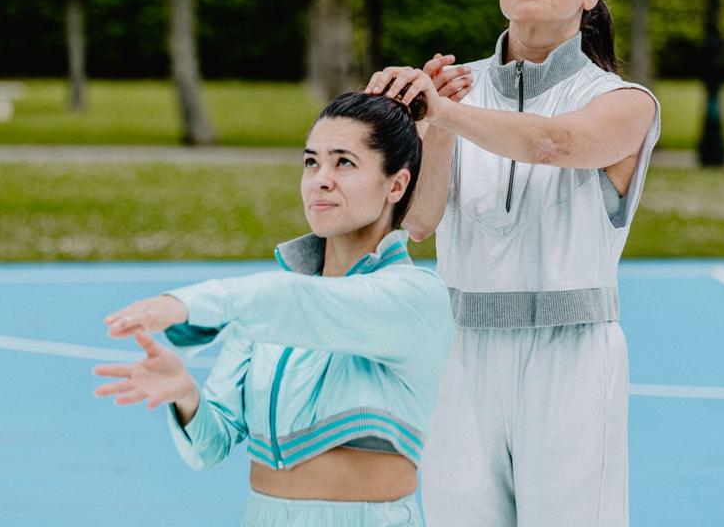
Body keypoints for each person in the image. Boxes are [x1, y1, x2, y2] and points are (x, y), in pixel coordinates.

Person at [366, 0, 660, 527]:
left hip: (572, 357)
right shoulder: (453, 90)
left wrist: (441, 113)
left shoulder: (623, 102)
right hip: (459, 354)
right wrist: (428, 126)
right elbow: (417, 225)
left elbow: (556, 144)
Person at [93, 92, 454, 527]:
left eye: (344, 163)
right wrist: (184, 393)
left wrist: (188, 304)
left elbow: (303, 306)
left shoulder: (412, 296)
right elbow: (210, 447)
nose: (320, 179)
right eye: (310, 162)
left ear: (395, 185)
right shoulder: (268, 307)